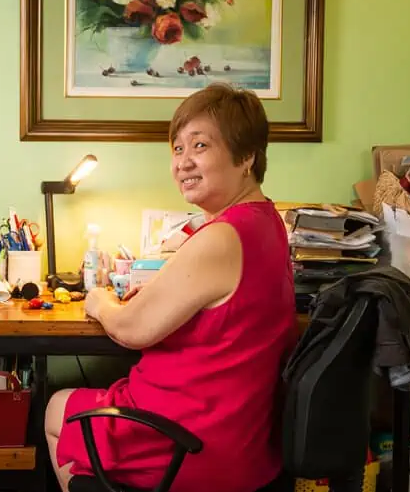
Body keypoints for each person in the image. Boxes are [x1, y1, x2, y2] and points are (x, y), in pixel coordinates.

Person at [45, 82, 298, 492]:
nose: (183, 163)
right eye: (177, 149)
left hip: (191, 442)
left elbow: (130, 329)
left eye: (200, 146)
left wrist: (100, 300)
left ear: (246, 156)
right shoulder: (266, 222)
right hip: (236, 434)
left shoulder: (224, 236)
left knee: (56, 410)